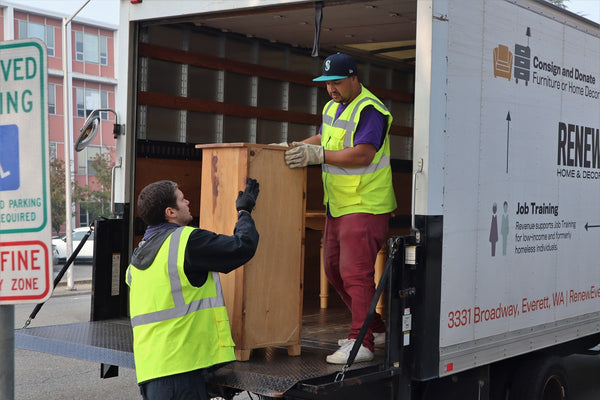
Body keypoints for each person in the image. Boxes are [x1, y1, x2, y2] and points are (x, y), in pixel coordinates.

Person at [284, 53, 396, 364]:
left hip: (365, 204)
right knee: (334, 270)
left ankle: (361, 341)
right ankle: (373, 328)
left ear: (353, 78)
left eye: (336, 82)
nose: (331, 88)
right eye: (327, 83)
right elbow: (326, 137)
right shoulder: (333, 106)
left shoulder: (371, 109)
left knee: (354, 274)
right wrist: (294, 147)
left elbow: (362, 154)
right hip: (338, 205)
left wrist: (316, 154)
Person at [126, 178, 260, 400]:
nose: (188, 201)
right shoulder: (186, 241)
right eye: (181, 198)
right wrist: (245, 211)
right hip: (182, 374)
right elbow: (242, 247)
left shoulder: (137, 257)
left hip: (151, 372)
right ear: (170, 212)